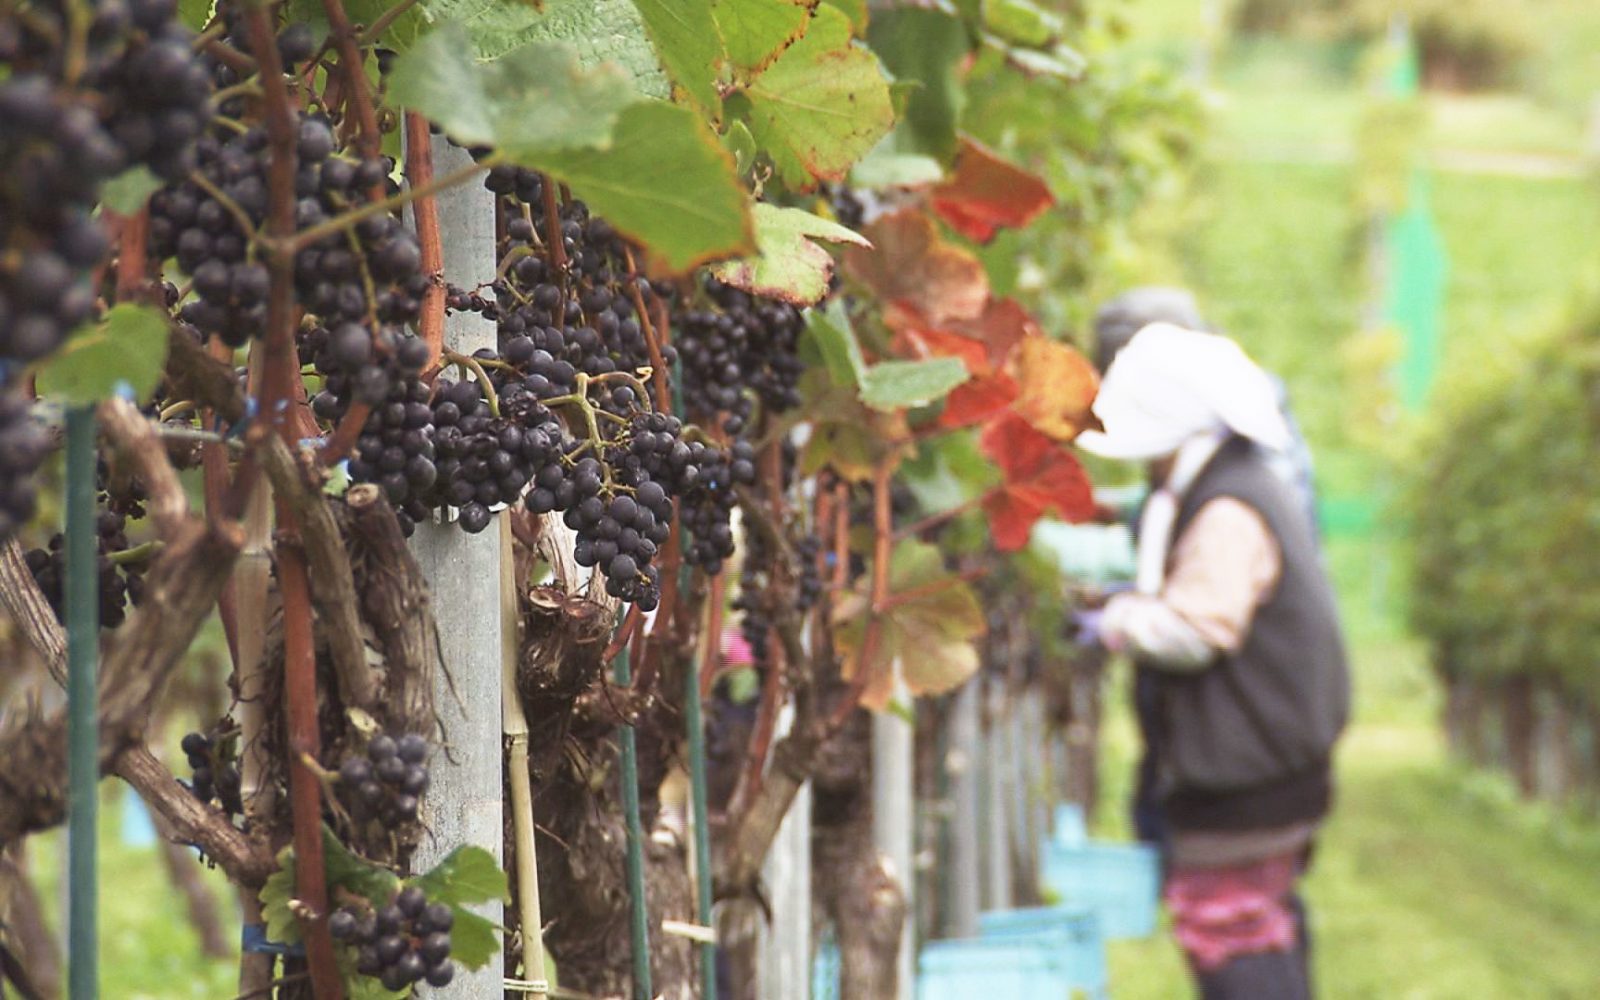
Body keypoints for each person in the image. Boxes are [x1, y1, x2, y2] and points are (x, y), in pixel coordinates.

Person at [1077, 324, 1350, 1000]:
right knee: (1261, 921)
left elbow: (1197, 628)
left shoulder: (1228, 505)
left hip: (1248, 778)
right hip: (1267, 767)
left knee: (1228, 929)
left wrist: (1114, 620)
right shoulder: (1239, 483)